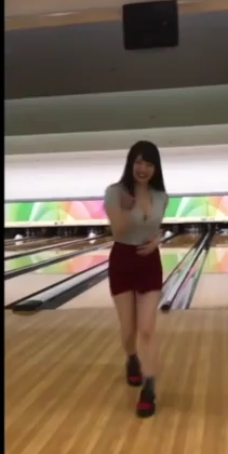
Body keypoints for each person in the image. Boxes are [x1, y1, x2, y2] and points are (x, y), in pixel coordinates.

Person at [103, 141, 168, 418]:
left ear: (156, 168)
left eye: (149, 164)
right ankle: (131, 358)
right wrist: (127, 208)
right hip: (123, 261)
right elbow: (118, 231)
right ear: (130, 163)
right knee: (128, 329)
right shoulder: (114, 192)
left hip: (149, 262)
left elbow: (156, 228)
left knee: (147, 328)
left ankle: (149, 388)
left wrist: (157, 241)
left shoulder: (162, 196)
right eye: (139, 162)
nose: (143, 168)